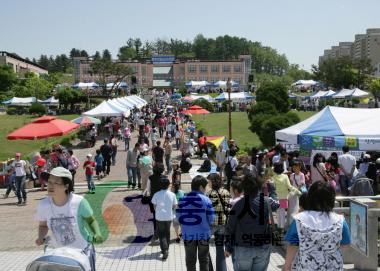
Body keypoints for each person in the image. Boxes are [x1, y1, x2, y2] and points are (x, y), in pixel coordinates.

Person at [35, 167, 103, 271]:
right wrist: (40, 237)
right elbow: (43, 225)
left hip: (82, 252)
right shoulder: (44, 204)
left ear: (66, 186)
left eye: (56, 182)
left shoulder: (79, 202)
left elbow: (91, 220)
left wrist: (97, 233)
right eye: (49, 181)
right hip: (59, 254)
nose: (50, 185)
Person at [284, 181, 351, 271]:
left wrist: (287, 268)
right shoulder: (340, 220)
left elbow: (292, 246)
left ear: (310, 198)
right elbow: (346, 245)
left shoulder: (299, 220)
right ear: (331, 199)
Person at [224, 174, 280, 271]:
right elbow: (277, 204)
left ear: (243, 187)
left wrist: (228, 247)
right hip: (262, 246)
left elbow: (230, 227)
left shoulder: (238, 205)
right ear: (259, 186)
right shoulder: (266, 201)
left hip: (242, 247)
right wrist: (272, 189)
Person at [177, 176, 215, 271]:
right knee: (204, 260)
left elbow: (179, 218)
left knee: (190, 260)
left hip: (188, 234)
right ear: (201, 187)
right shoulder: (206, 200)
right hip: (203, 234)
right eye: (205, 187)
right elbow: (211, 219)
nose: (206, 189)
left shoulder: (183, 200)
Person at [206, 173, 231, 271]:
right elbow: (229, 208)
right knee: (220, 249)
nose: (208, 183)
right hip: (223, 224)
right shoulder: (226, 192)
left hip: (211, 225)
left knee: (204, 246)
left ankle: (209, 268)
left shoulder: (209, 194)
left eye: (209, 181)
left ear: (213, 182)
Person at [151, 178, 178, 260]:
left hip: (159, 217)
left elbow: (154, 206)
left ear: (160, 185)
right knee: (167, 233)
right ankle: (166, 248)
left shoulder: (156, 194)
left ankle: (164, 250)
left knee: (161, 234)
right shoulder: (172, 194)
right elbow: (175, 205)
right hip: (169, 216)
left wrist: (158, 210)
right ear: (168, 185)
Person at [272, 163, 301, 231]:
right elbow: (289, 187)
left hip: (276, 197)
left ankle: (279, 225)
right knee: (282, 212)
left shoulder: (273, 177)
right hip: (284, 197)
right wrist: (298, 192)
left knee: (278, 212)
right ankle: (282, 227)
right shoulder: (285, 176)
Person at [171, 178, 185, 243]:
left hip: (174, 212)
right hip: (182, 211)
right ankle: (182, 234)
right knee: (182, 224)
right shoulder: (182, 192)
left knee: (176, 225)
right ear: (179, 185)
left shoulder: (171, 194)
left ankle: (177, 236)